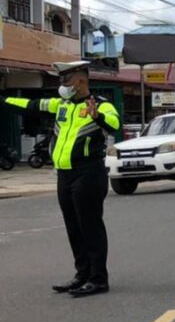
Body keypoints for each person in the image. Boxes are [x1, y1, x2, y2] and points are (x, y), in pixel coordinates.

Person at [1, 61, 120, 297]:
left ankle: (98, 278)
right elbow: (32, 105)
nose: (62, 84)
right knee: (73, 227)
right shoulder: (62, 105)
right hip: (65, 174)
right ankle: (82, 274)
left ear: (81, 81)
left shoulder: (101, 105)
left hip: (88, 172)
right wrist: (4, 101)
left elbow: (115, 125)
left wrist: (97, 117)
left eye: (66, 80)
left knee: (90, 226)